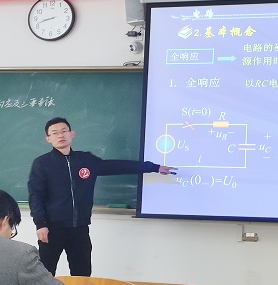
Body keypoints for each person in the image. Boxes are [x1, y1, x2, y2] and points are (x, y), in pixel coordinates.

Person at [28, 116, 176, 276]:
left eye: (64, 131)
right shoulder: (42, 163)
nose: (60, 135)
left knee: (83, 274)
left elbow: (117, 166)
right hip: (52, 229)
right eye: (55, 133)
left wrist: (153, 167)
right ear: (48, 139)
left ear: (72, 134)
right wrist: (40, 224)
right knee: (44, 274)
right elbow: (36, 196)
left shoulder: (86, 160)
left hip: (80, 228)